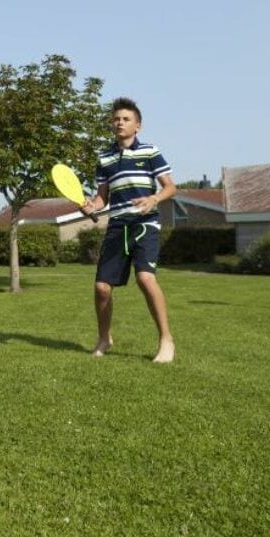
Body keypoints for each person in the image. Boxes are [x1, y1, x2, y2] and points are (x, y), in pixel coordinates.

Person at [78, 97, 177, 363]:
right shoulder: (105, 158)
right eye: (116, 119)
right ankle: (104, 338)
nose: (119, 123)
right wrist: (90, 206)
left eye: (126, 119)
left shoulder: (150, 152)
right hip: (117, 226)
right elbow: (102, 198)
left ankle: (166, 340)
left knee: (145, 279)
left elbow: (170, 187)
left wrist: (153, 199)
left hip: (145, 224)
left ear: (138, 126)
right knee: (101, 288)